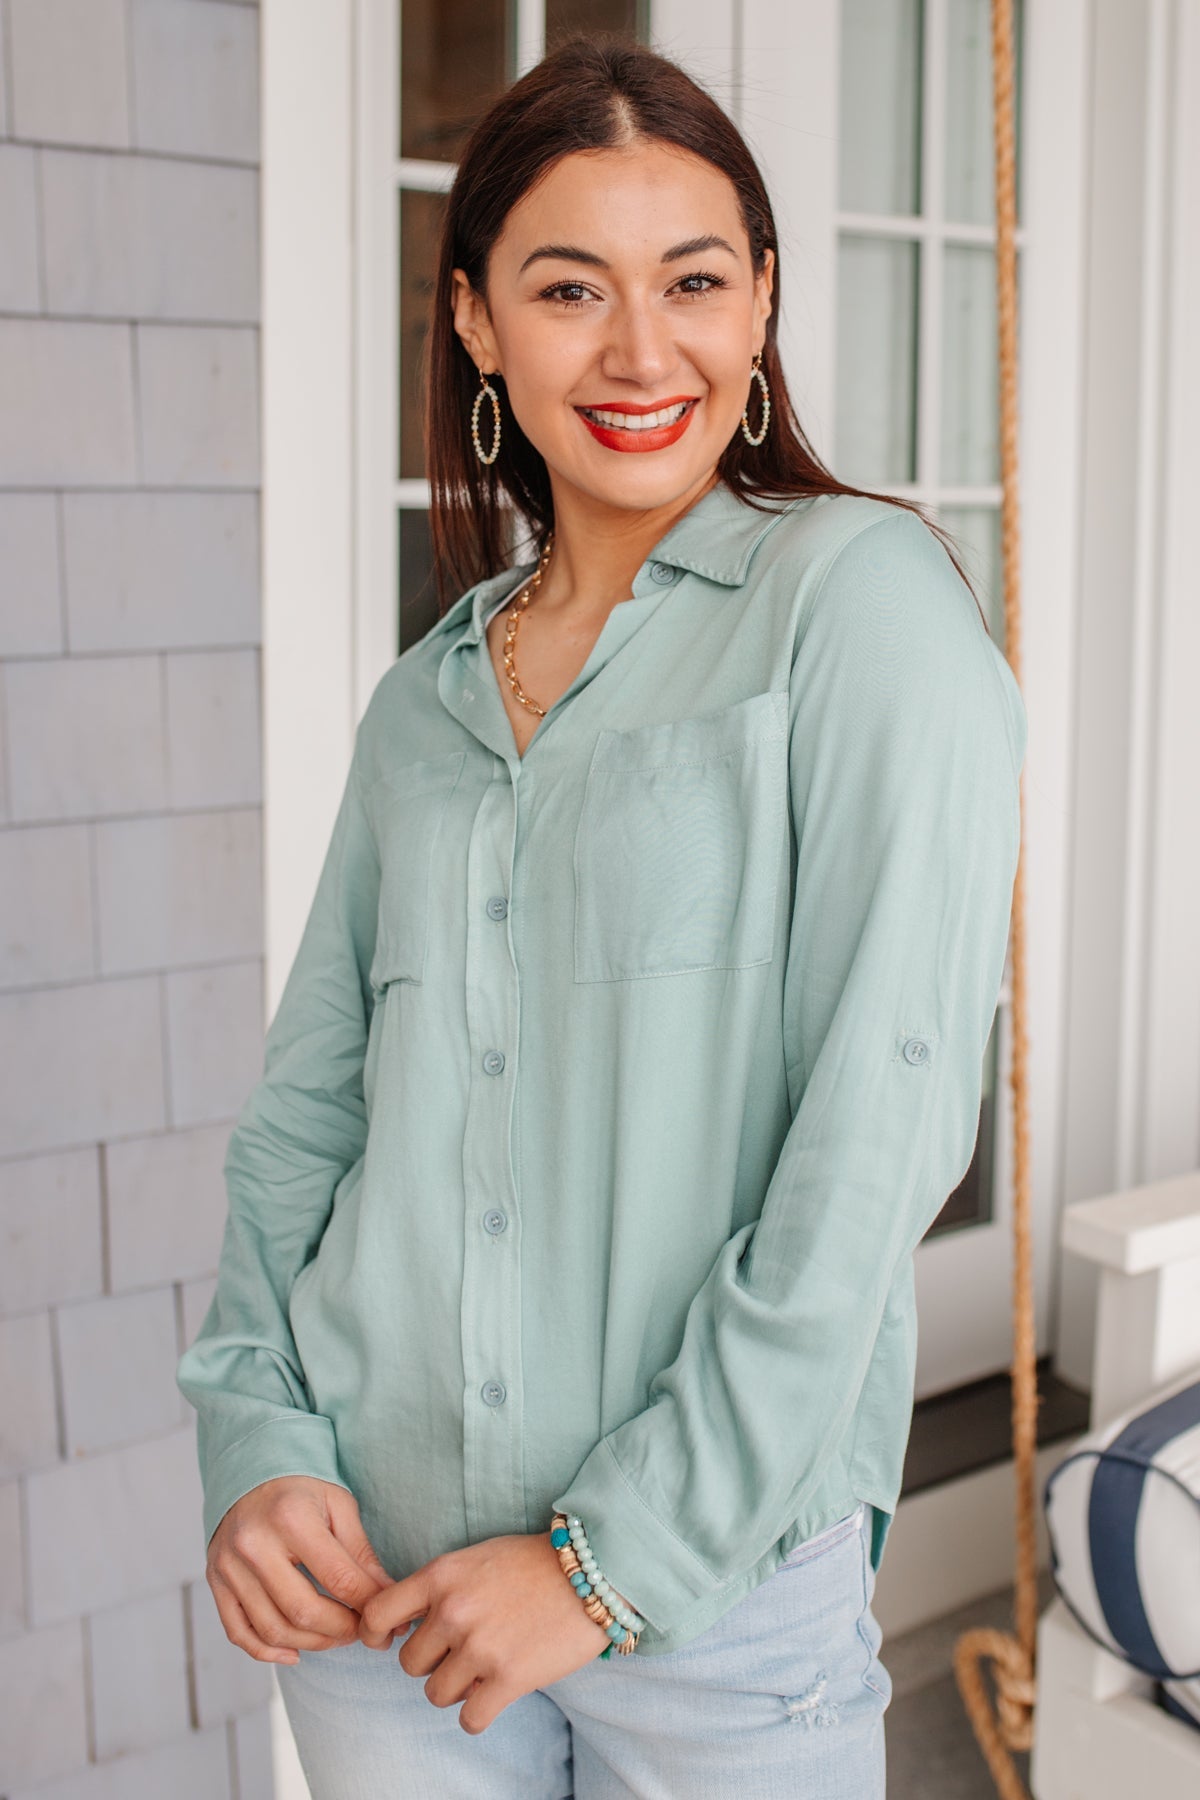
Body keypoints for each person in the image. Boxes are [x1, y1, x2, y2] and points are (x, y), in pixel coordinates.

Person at [176, 32, 1025, 1799]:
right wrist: (255, 1437)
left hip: (712, 1610)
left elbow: (877, 1136)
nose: (644, 350)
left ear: (763, 297)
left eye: (694, 281)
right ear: (477, 320)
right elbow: (309, 1118)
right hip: (377, 1593)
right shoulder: (423, 702)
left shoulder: (860, 610)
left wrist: (601, 1565)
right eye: (571, 289)